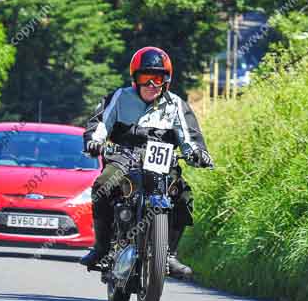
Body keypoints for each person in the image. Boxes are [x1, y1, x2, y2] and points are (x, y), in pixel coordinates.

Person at [80, 46, 213, 279]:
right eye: (145, 78)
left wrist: (198, 154)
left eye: (157, 78)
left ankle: (169, 254)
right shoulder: (119, 98)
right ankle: (101, 247)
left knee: (181, 194)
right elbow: (100, 124)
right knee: (103, 184)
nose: (151, 84)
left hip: (162, 162)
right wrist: (94, 141)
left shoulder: (176, 105)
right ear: (135, 79)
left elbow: (190, 138)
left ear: (166, 80)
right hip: (124, 156)